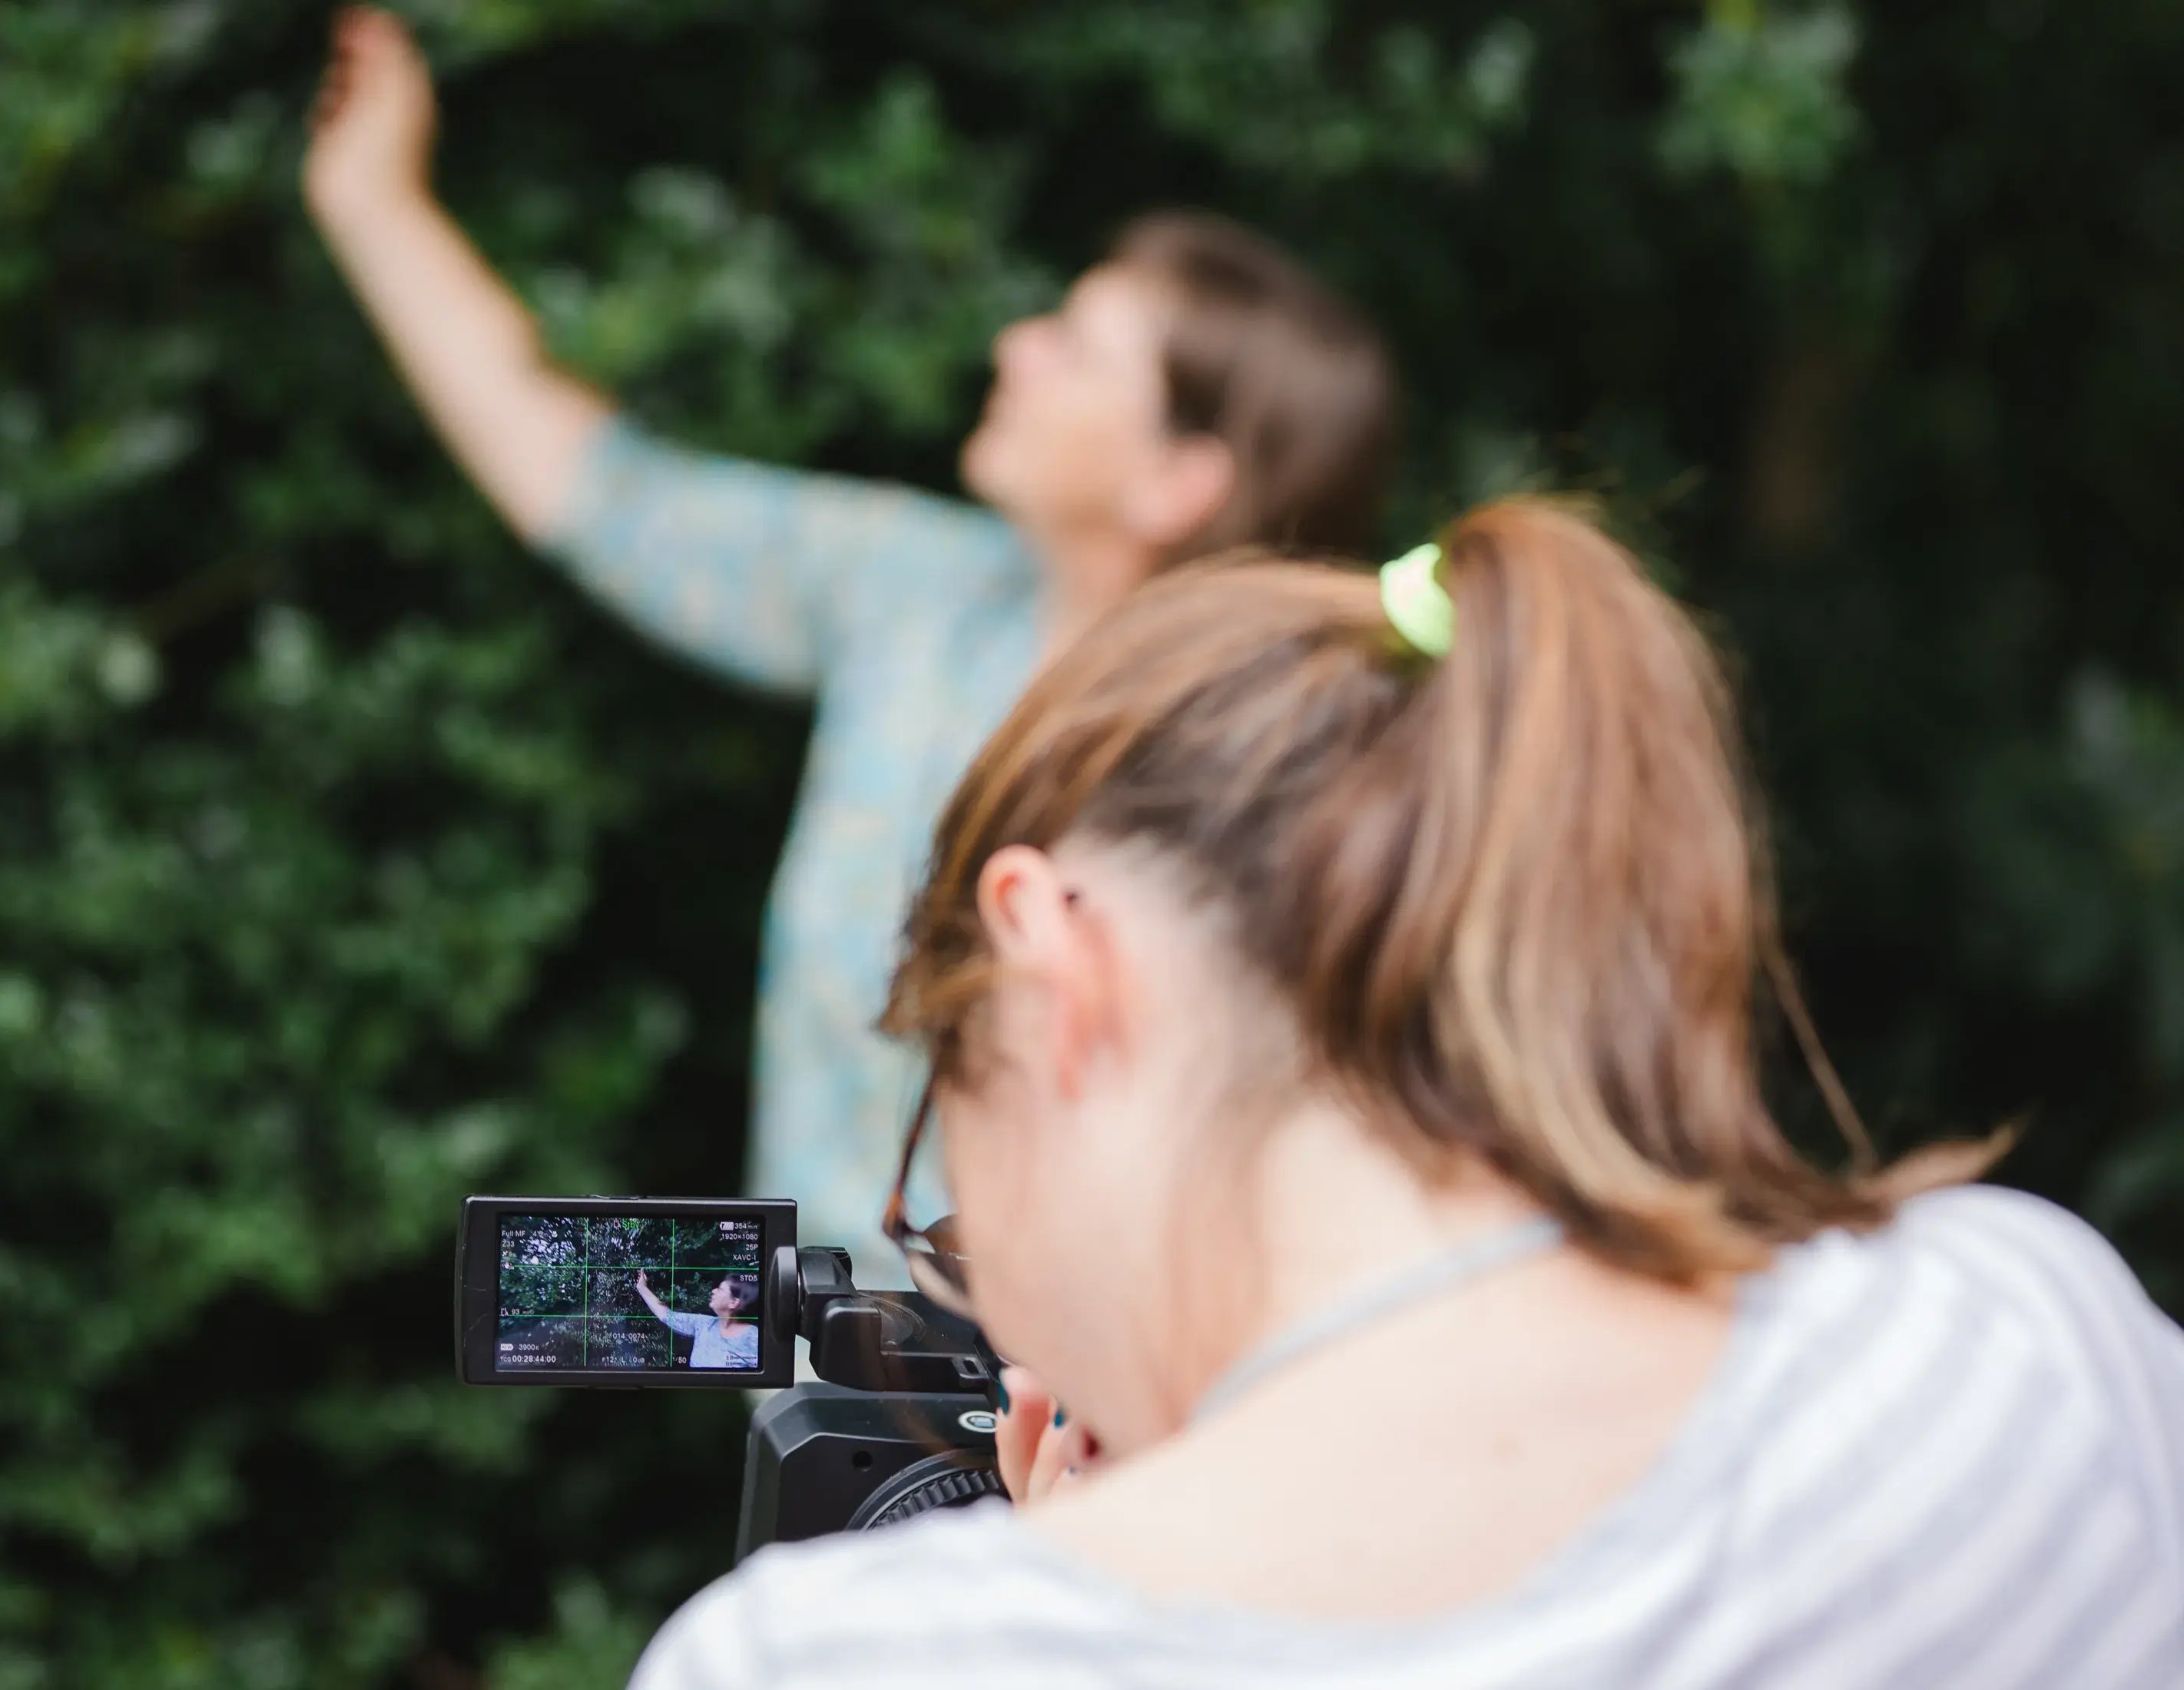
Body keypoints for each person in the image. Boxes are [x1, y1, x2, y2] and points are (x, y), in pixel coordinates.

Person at [628, 505, 2184, 1686]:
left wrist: (1064, 1587)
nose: (965, 1273)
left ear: (1055, 970)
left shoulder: (831, 1662)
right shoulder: (2018, 1345)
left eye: (941, 1165)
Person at [301, 6, 1397, 1272]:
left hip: (1069, 1435)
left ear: (1178, 485)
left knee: (530, 1294)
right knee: (522, 1291)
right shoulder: (925, 594)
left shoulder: (1270, 783)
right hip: (817, 1378)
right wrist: (373, 206)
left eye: (1078, 349)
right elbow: (605, 495)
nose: (1016, 347)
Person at [635, 1269, 760, 1371]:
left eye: (720, 1289)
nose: (714, 1291)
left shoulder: (753, 1337)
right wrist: (642, 1288)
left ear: (734, 1303)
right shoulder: (704, 1324)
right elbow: (667, 1316)